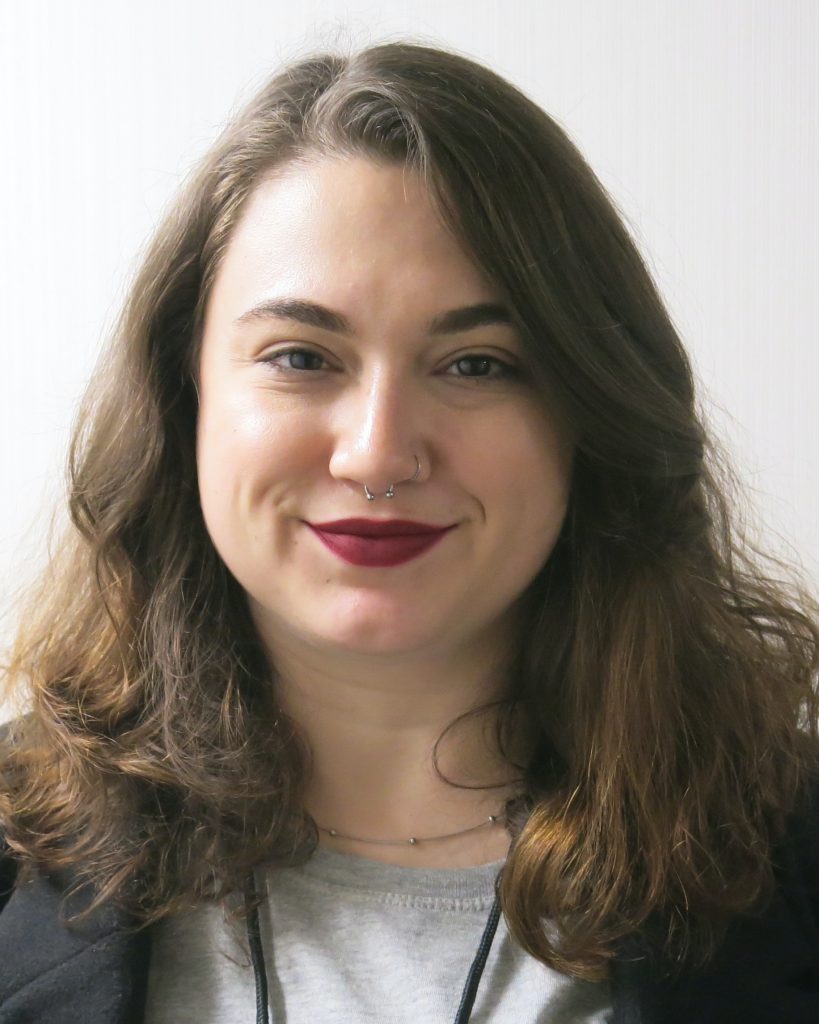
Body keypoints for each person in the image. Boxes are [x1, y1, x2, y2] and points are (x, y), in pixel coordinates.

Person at [0, 39, 817, 1024]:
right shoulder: (14, 855)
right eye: (302, 355)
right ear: (187, 397)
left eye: (476, 364)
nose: (379, 455)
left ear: (589, 416)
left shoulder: (794, 868)